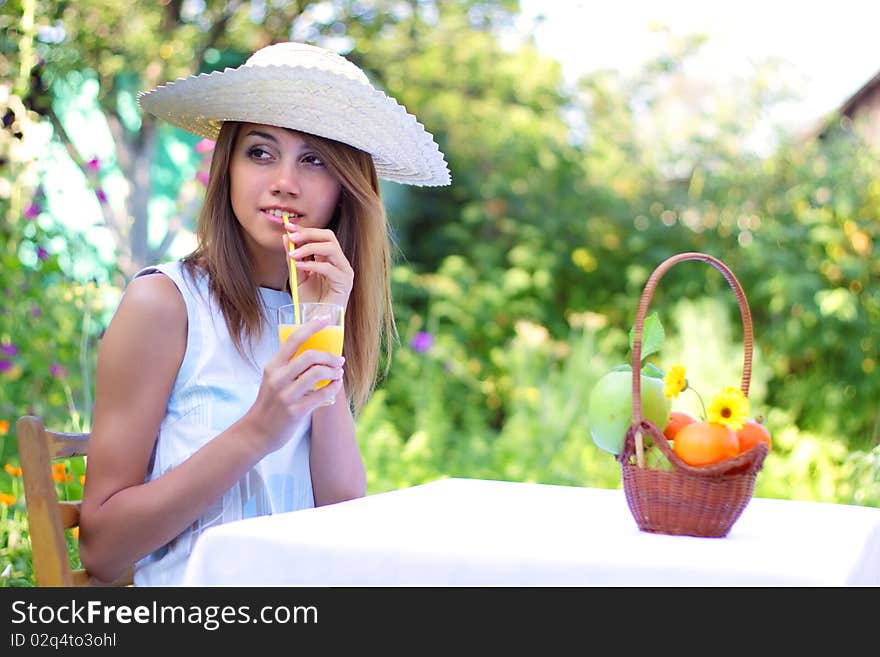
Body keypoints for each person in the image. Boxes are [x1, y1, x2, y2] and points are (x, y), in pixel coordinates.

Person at [78, 41, 451, 586]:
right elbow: (103, 550)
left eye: (314, 160)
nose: (284, 181)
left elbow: (341, 514)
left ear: (345, 190)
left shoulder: (313, 309)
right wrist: (258, 430)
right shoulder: (165, 305)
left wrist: (324, 321)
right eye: (260, 151)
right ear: (226, 165)